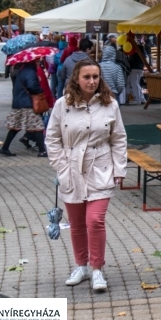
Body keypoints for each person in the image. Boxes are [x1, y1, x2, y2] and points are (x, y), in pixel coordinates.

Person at [45, 59, 127, 292]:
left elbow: (119, 138)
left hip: (101, 167)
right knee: (77, 223)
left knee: (95, 220)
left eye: (95, 77)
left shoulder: (110, 105)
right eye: (87, 77)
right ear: (76, 78)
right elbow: (52, 137)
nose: (92, 81)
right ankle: (81, 266)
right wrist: (61, 165)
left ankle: (97, 268)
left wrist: (119, 168)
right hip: (71, 168)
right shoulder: (63, 105)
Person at [0, 60, 48, 157]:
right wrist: (39, 87)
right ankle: (42, 151)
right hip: (27, 102)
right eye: (37, 61)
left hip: (20, 102)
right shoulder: (30, 72)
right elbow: (32, 86)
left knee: (16, 126)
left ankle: (5, 148)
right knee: (38, 126)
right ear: (32, 62)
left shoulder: (23, 70)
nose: (38, 63)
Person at [126, 40, 146, 104]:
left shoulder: (134, 51)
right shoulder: (142, 51)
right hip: (140, 68)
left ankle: (138, 99)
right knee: (136, 83)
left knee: (134, 83)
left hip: (134, 68)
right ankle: (141, 98)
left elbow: (131, 60)